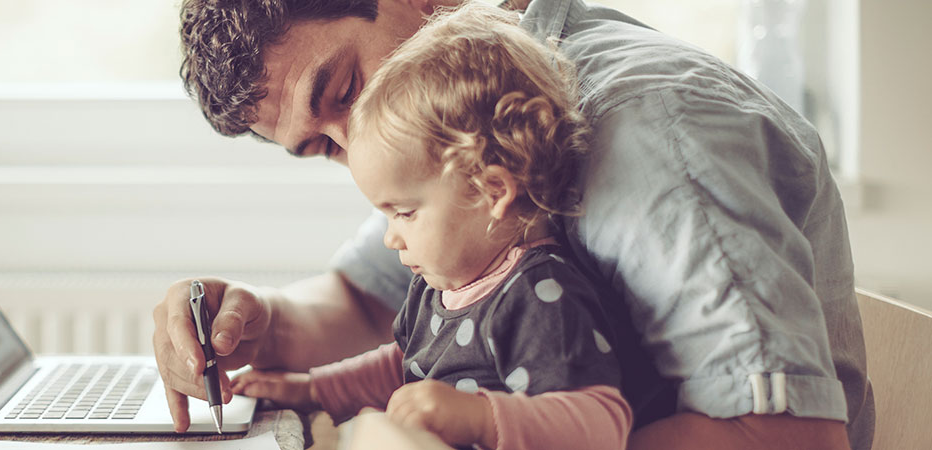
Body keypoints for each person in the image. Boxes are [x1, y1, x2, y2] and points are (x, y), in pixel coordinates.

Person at [155, 0, 871, 448]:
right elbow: (365, 302)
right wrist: (255, 321)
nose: (357, 150)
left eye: (344, 92)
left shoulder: (646, 132)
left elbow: (791, 438)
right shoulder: (450, 132)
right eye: (323, 148)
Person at [229, 4, 641, 448]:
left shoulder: (540, 294)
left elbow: (601, 422)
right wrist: (314, 390)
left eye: (403, 213)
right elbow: (403, 366)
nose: (390, 237)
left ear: (491, 191)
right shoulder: (440, 288)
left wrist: (481, 418)